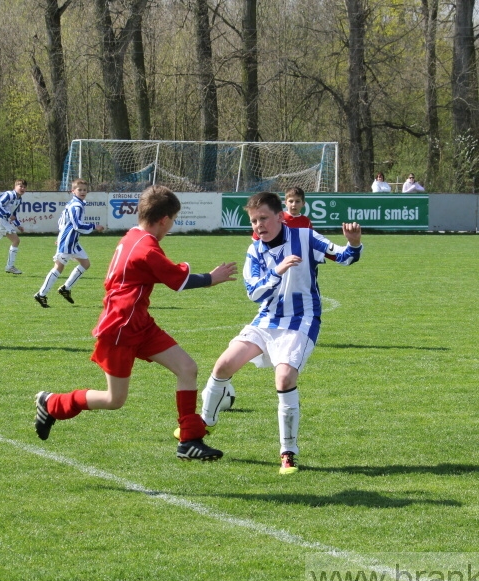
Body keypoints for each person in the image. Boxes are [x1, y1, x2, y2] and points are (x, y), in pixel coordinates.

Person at [33, 185, 237, 462]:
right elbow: (179, 281)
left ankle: (190, 440)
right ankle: (52, 403)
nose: (172, 226)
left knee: (187, 368)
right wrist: (212, 277)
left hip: (138, 321)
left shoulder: (133, 235)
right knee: (114, 400)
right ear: (164, 219)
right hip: (120, 326)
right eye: (173, 220)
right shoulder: (147, 248)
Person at [199, 191, 363, 475]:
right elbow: (254, 292)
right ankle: (202, 426)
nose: (258, 225)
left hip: (301, 319)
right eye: (253, 221)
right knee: (223, 364)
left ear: (280, 216)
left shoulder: (305, 237)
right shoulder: (255, 250)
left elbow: (345, 258)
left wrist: (354, 243)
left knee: (285, 377)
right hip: (267, 319)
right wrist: (278, 270)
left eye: (263, 218)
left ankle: (288, 452)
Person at [34, 178, 105, 307]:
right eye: (80, 189)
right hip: (68, 241)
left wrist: (60, 235)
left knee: (85, 263)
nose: (83, 192)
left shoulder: (74, 204)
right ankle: (41, 294)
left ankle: (65, 289)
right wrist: (94, 226)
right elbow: (77, 225)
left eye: (85, 190)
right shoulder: (76, 206)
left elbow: (61, 221)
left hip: (72, 241)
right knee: (58, 267)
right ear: (73, 191)